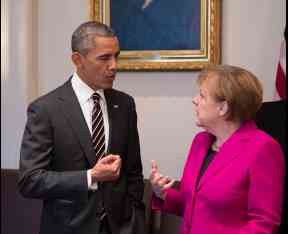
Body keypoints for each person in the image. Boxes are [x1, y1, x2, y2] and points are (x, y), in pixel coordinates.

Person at [18, 21, 145, 234]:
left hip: (119, 227)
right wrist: (90, 176)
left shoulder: (125, 104)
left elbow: (133, 172)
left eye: (116, 56)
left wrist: (133, 221)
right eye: (104, 58)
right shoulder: (45, 109)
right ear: (78, 60)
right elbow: (30, 180)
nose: (114, 66)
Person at [150, 65, 285, 234]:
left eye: (202, 95)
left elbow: (264, 225)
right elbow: (193, 205)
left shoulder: (263, 148)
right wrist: (162, 193)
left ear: (223, 108)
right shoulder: (200, 141)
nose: (195, 100)